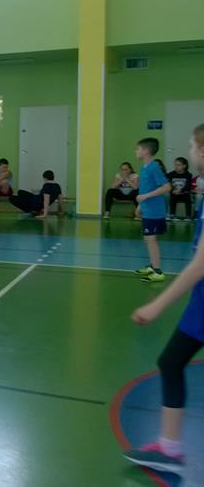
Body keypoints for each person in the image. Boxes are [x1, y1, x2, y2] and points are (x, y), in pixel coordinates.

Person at [124, 124, 204, 475]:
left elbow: (200, 263)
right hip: (200, 304)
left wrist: (157, 305)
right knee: (171, 362)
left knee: (171, 362)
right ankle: (169, 448)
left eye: (192, 146)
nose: (190, 151)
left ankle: (170, 447)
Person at [134, 138, 171, 283]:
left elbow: (166, 187)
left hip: (155, 211)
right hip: (147, 209)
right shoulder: (144, 167)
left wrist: (145, 197)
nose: (136, 151)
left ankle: (158, 271)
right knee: (147, 239)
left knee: (151, 240)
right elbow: (145, 189)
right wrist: (140, 205)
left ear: (146, 151)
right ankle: (152, 266)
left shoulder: (154, 167)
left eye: (138, 149)